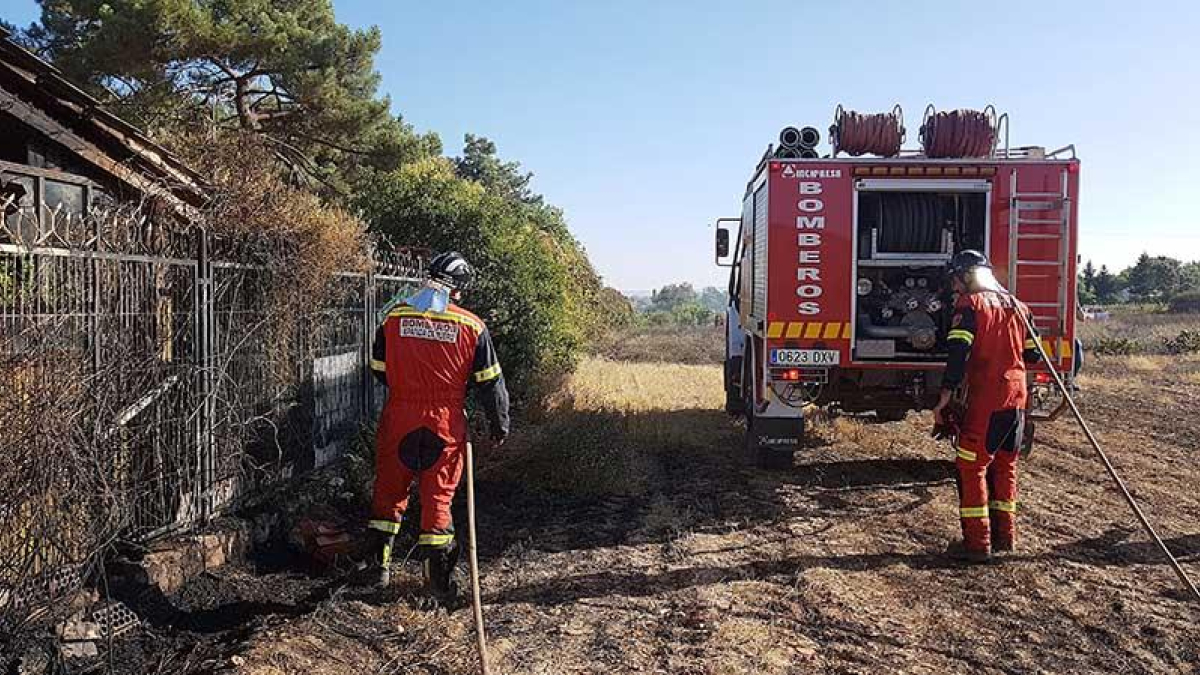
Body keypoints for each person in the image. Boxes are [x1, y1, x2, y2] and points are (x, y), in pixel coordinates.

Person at [364, 251, 510, 599]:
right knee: (438, 498)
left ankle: (376, 570)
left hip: (398, 415)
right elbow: (491, 383)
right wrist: (498, 425)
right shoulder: (472, 326)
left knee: (388, 492)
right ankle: (438, 583)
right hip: (444, 421)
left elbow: (378, 370)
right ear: (458, 288)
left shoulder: (393, 317)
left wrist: (408, 386)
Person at [933, 250, 1041, 563]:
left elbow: (957, 354)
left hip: (988, 397)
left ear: (966, 276)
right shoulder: (1019, 307)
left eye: (956, 280)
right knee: (1005, 465)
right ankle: (1006, 538)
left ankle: (977, 545)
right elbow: (1034, 355)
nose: (954, 287)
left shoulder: (970, 305)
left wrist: (944, 397)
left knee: (972, 466)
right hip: (1017, 397)